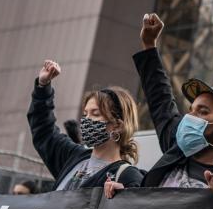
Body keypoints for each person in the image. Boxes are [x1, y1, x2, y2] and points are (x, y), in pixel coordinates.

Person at [104, 14, 213, 198]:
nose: (189, 117)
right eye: (191, 109)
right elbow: (160, 100)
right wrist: (149, 45)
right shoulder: (176, 147)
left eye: (203, 112)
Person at [28, 60, 144, 190]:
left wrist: (123, 196)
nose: (86, 120)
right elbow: (44, 131)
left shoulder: (127, 177)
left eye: (95, 114)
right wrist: (43, 87)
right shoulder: (74, 157)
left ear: (118, 125)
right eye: (85, 114)